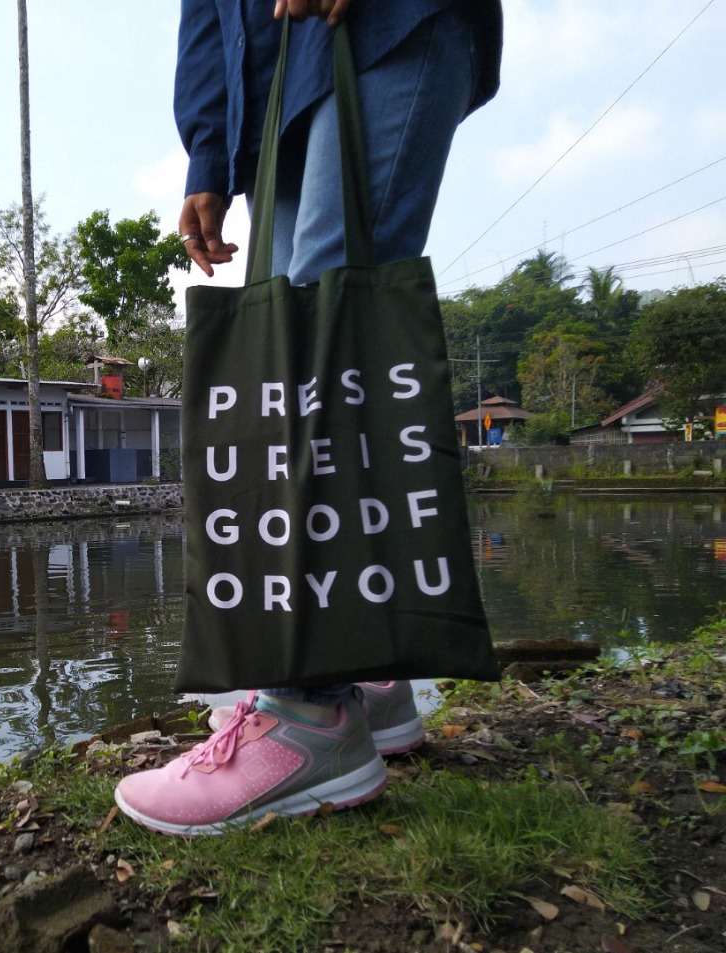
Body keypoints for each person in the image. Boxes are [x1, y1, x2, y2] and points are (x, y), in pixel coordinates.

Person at [113, 0, 503, 836]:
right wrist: (208, 153)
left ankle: (308, 717)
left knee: (329, 328)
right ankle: (366, 671)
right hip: (275, 83)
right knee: (295, 350)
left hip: (387, 24)